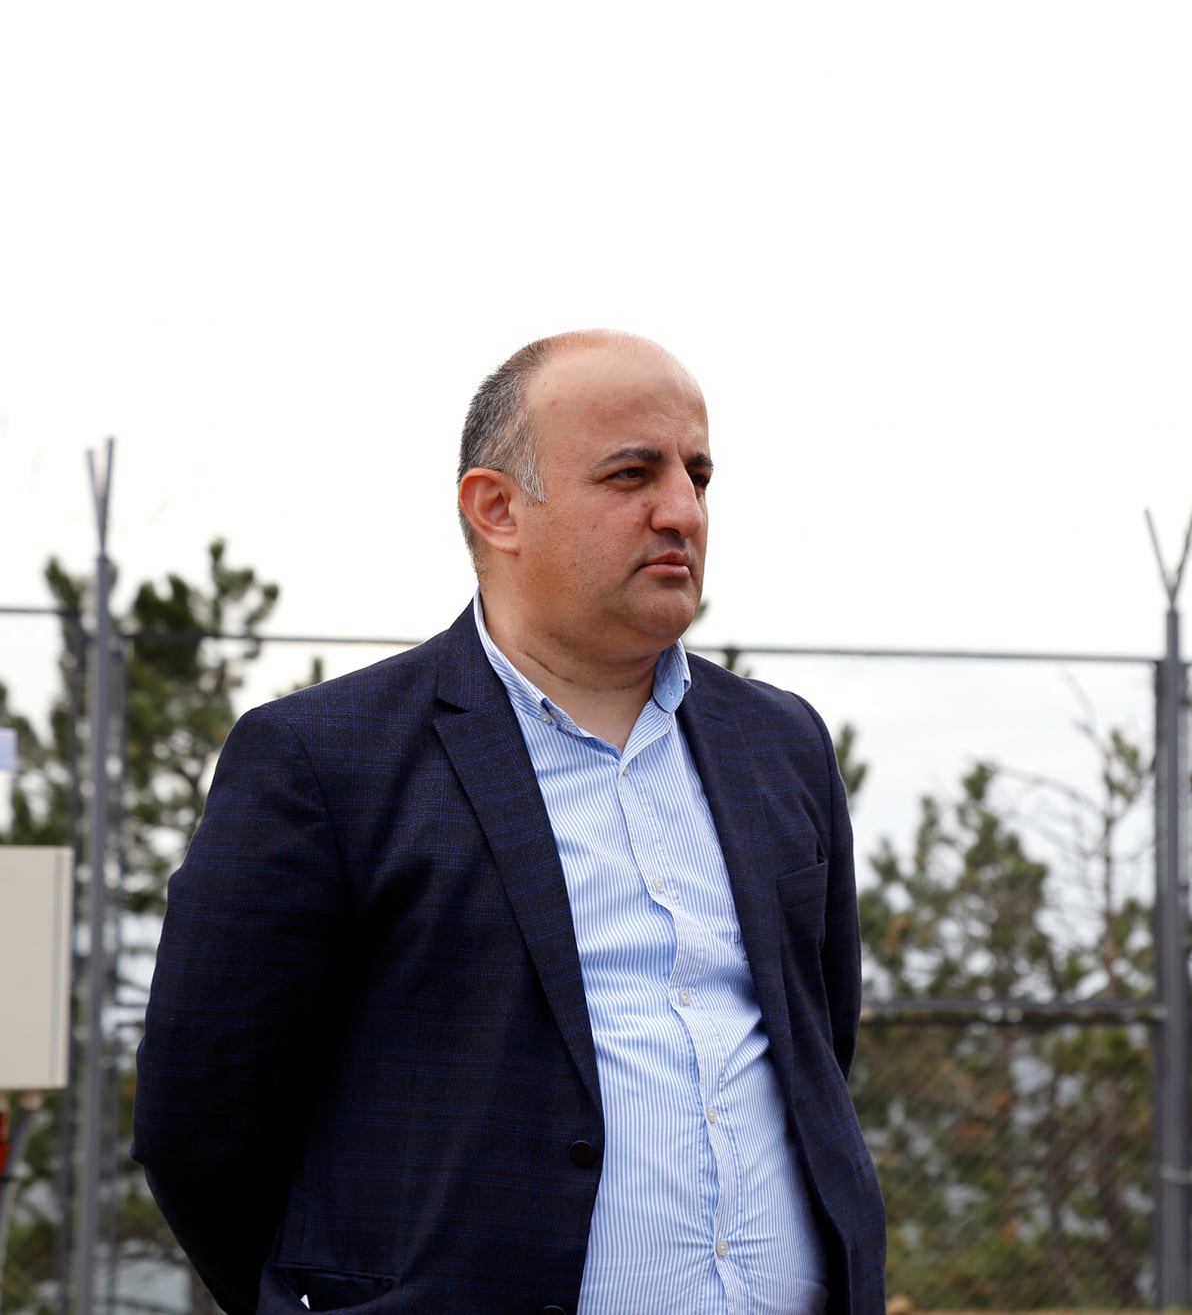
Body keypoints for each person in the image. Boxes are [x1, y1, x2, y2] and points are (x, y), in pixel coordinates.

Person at [133, 331, 885, 1315]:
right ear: (496, 509)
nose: (681, 510)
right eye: (631, 474)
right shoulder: (326, 759)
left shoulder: (780, 745)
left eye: (697, 475)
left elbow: (817, 1044)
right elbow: (201, 1121)